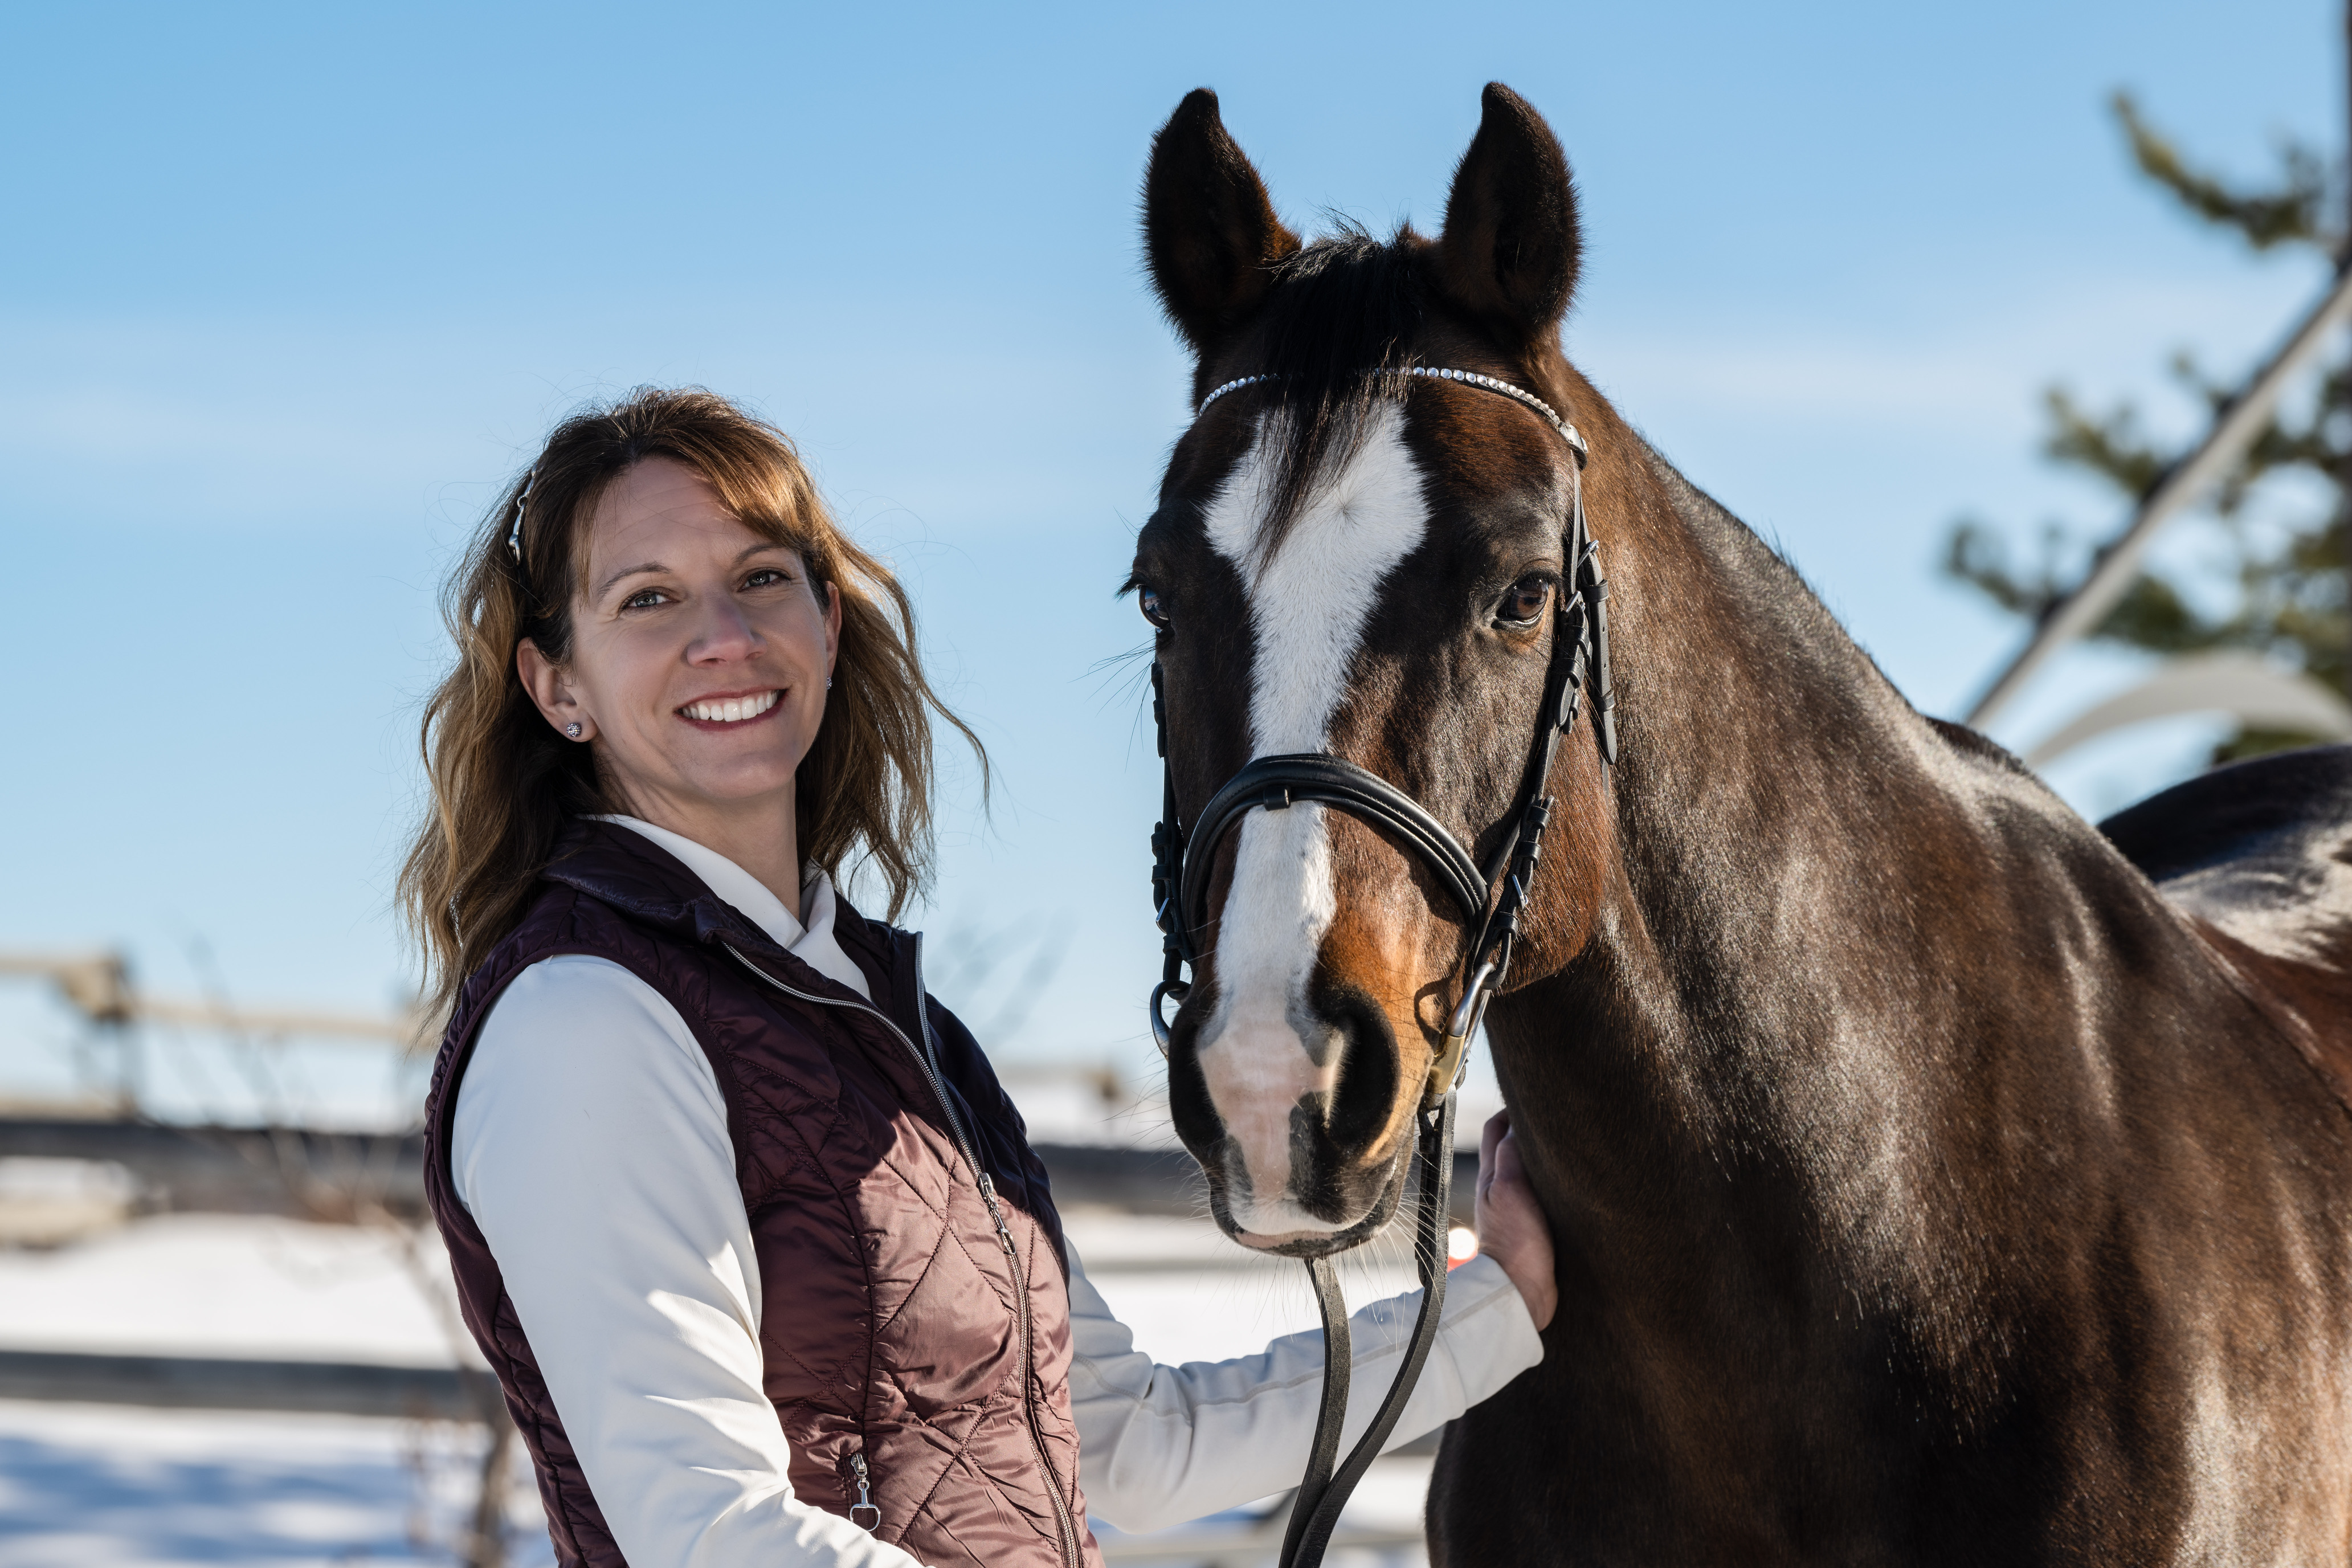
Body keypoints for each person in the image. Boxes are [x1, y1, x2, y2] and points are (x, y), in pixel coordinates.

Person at [403, 387, 1554, 1568]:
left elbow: (1132, 1440)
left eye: (760, 577)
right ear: (559, 687)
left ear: (828, 621)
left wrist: (1498, 1302)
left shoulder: (908, 1035)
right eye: (647, 598)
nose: (725, 635)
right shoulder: (585, 1017)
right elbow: (707, 1531)